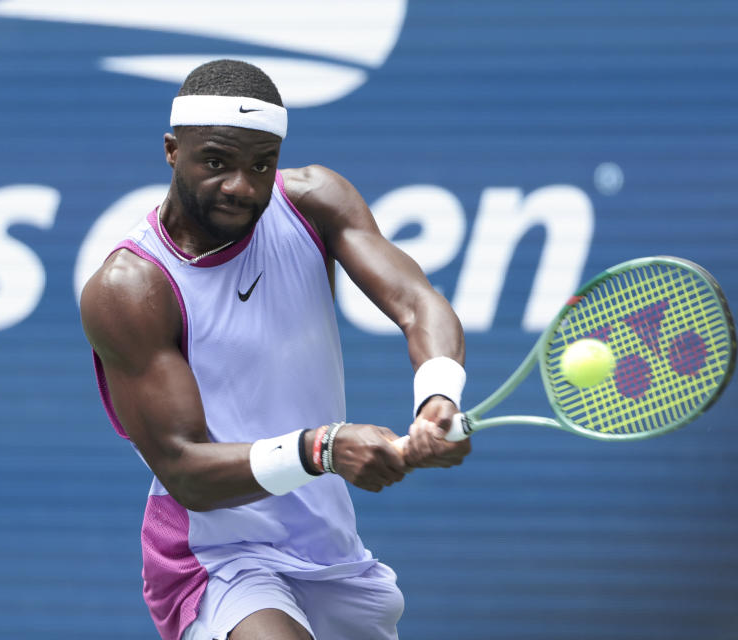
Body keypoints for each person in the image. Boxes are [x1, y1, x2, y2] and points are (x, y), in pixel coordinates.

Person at [80, 59, 470, 640]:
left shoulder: (316, 202)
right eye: (216, 162)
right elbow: (185, 469)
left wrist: (437, 394)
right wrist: (323, 449)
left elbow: (418, 303)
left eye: (261, 164)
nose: (241, 186)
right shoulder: (130, 288)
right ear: (171, 150)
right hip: (214, 554)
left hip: (331, 549)